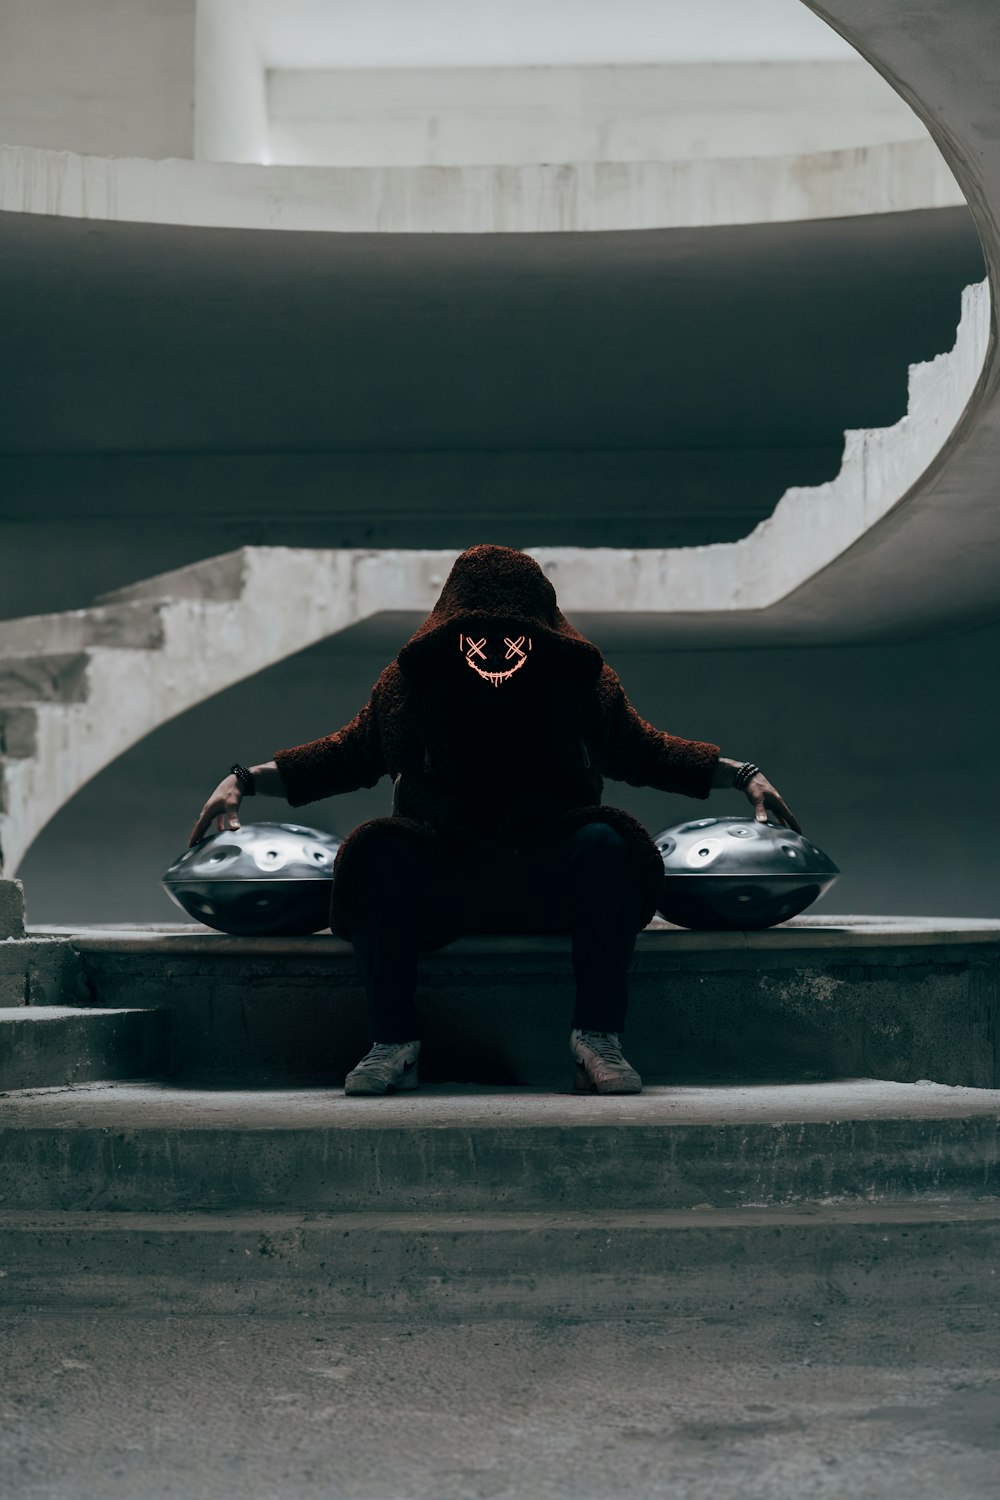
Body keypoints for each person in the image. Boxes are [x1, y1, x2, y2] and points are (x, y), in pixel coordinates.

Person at [188, 544, 800, 1096]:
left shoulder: (579, 683)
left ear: (539, 632)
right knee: (376, 850)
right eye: (478, 636)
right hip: (446, 872)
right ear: (453, 631)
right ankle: (394, 1044)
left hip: (546, 871)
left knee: (608, 841)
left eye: (513, 636)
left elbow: (642, 749)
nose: (496, 652)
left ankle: (596, 1042)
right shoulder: (410, 686)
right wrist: (243, 779)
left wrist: (743, 774)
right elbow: (348, 753)